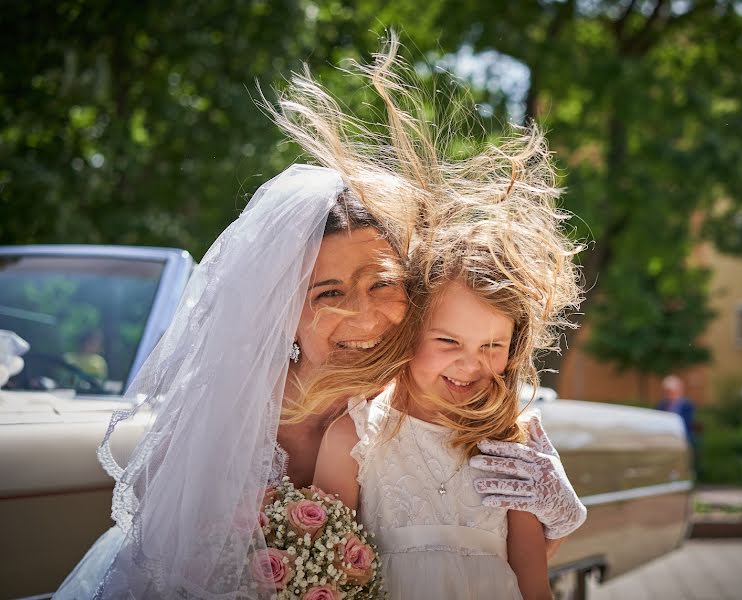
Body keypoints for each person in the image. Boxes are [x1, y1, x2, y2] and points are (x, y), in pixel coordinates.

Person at [53, 36, 585, 599]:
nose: (364, 316)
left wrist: (556, 503)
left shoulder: (439, 392)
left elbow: (497, 552)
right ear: (281, 310)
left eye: (382, 283)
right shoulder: (230, 418)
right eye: (329, 293)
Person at [300, 46, 586, 598]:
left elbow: (532, 578)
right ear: (410, 330)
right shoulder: (354, 435)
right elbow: (334, 570)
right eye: (448, 340)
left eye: (493, 345)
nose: (471, 363)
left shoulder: (508, 441)